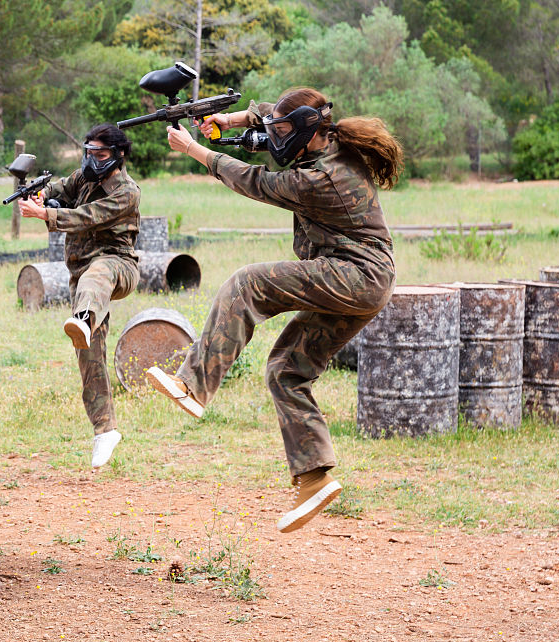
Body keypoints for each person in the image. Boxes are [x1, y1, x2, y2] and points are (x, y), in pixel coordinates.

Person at [150, 87, 402, 533]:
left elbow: (258, 182)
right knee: (285, 369)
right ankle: (314, 478)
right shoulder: (325, 135)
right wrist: (229, 121)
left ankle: (193, 384)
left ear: (308, 130)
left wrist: (196, 151)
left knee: (247, 283)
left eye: (284, 132)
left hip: (355, 275)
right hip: (366, 280)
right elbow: (271, 114)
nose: (275, 136)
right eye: (276, 130)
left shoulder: (322, 179)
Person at [18, 123, 140, 469]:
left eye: (99, 154)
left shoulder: (127, 191)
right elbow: (60, 187)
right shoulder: (85, 175)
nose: (92, 159)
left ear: (116, 155)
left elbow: (87, 217)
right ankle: (105, 430)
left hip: (118, 266)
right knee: (89, 357)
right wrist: (41, 195)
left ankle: (83, 318)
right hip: (80, 275)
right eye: (88, 152)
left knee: (96, 276)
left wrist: (46, 213)